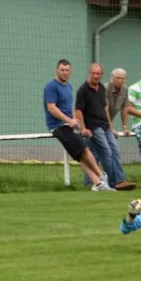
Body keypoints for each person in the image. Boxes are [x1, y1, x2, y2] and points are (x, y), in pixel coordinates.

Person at [43, 59, 114, 192]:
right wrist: (68, 121)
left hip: (69, 125)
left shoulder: (68, 86)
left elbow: (69, 107)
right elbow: (52, 108)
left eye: (67, 70)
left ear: (70, 72)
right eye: (62, 70)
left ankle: (98, 184)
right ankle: (101, 175)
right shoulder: (51, 87)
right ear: (57, 70)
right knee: (85, 150)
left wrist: (74, 121)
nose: (65, 73)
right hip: (59, 126)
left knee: (80, 156)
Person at [75, 63, 136, 191]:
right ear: (89, 73)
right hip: (93, 127)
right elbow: (78, 111)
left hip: (105, 126)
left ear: (101, 75)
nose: (96, 76)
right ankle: (114, 183)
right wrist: (83, 128)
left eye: (98, 74)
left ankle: (95, 182)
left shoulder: (101, 88)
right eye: (93, 73)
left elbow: (104, 108)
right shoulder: (83, 90)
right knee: (105, 153)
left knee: (106, 152)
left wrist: (113, 127)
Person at [105, 68, 131, 137]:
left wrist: (124, 127)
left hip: (107, 124)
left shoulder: (124, 89)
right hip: (96, 123)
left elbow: (124, 108)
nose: (120, 80)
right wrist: (111, 129)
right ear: (112, 78)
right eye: (117, 78)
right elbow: (105, 110)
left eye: (122, 78)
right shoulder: (105, 88)